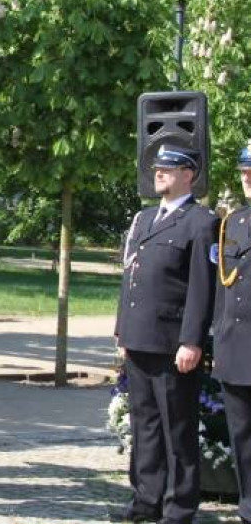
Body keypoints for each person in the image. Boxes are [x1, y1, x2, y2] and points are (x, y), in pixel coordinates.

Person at [112, 144, 218, 524]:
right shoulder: (143, 219)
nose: (159, 173)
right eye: (157, 168)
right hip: (139, 338)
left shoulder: (201, 221)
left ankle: (178, 508)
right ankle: (145, 500)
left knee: (178, 428)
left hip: (173, 344)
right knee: (145, 426)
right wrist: (121, 330)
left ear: (188, 174)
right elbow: (131, 277)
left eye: (169, 169)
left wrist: (192, 340)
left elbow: (201, 288)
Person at [212, 142, 251, 524]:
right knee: (242, 439)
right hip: (236, 349)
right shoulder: (233, 222)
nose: (247, 177)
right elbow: (221, 288)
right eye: (244, 171)